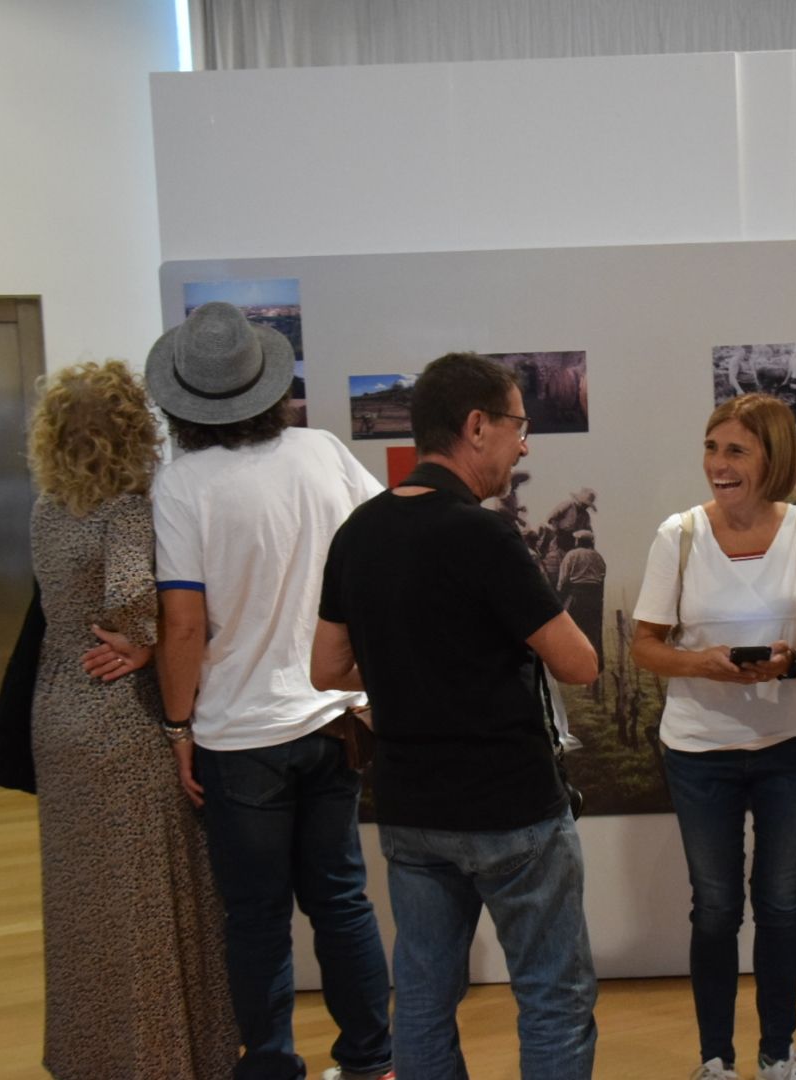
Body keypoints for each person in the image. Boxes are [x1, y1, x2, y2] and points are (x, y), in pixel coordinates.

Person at [311, 352, 600, 1079]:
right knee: (552, 997)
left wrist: (406, 679)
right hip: (512, 811)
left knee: (425, 999)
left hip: (411, 810)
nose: (524, 443)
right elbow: (580, 665)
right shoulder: (483, 535)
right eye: (517, 425)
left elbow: (325, 669)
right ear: (476, 426)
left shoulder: (360, 532)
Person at [142, 302, 393, 1080]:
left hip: (240, 733)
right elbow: (378, 560)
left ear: (184, 403)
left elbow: (183, 626)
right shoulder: (322, 452)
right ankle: (371, 1062)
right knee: (343, 901)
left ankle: (274, 1067)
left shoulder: (181, 485)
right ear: (268, 386)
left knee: (255, 919)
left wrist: (176, 726)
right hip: (332, 717)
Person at [26, 360, 238, 1078]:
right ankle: (165, 1052)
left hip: (57, 708)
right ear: (134, 430)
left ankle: (91, 1050)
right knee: (150, 888)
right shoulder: (125, 508)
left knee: (83, 893)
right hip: (121, 717)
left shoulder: (46, 509)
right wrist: (149, 645)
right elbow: (127, 600)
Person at [630, 392, 796, 1080]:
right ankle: (715, 1059)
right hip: (701, 749)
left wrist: (792, 661)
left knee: (781, 903)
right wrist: (701, 664)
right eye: (711, 448)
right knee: (717, 907)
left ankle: (778, 1054)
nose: (717, 465)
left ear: (773, 457)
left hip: (795, 744)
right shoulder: (680, 535)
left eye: (735, 451)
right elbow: (645, 644)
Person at [558, 529, 608, 672]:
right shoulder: (598, 557)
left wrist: (561, 596)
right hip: (594, 599)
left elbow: (563, 580)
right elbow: (602, 579)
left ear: (577, 541)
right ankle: (594, 665)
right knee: (593, 631)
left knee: (573, 630)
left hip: (576, 597)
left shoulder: (571, 555)